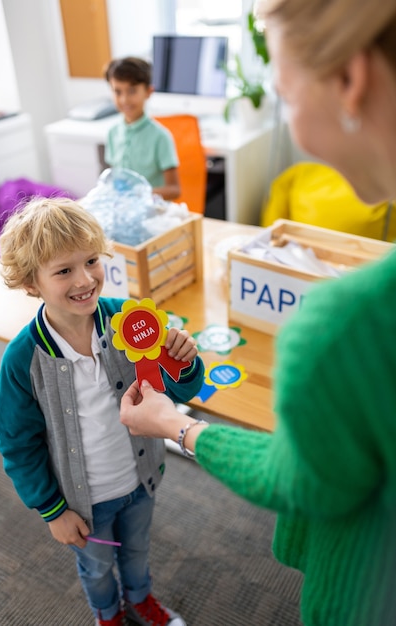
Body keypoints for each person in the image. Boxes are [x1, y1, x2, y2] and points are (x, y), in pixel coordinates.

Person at [120, 1, 396, 625]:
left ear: (350, 79)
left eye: (283, 88)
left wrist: (176, 424)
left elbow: (297, 478)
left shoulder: (344, 327)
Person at [0, 198, 204, 626]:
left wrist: (183, 360)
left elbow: (174, 388)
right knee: (95, 567)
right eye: (64, 270)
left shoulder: (127, 321)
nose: (86, 278)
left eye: (91, 260)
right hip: (81, 502)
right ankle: (107, 616)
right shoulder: (22, 360)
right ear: (32, 283)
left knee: (139, 551)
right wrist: (52, 510)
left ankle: (141, 598)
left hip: (139, 479)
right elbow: (18, 444)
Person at [103, 57, 181, 200]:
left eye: (132, 91)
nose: (124, 100)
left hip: (152, 212)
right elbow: (113, 178)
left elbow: (174, 190)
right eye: (117, 92)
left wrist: (139, 194)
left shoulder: (160, 137)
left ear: (148, 92)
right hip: (123, 209)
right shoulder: (112, 133)